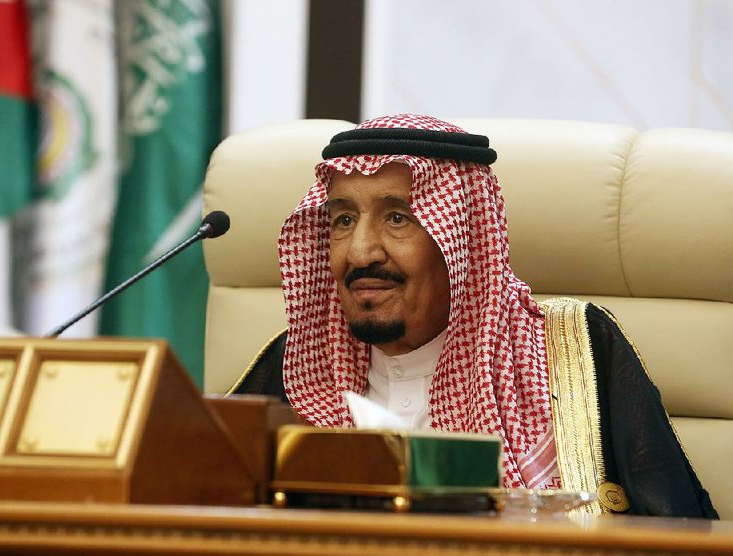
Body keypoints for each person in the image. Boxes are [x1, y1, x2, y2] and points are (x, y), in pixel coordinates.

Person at [231, 114, 717, 518]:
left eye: (397, 217)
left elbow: (680, 535)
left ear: (462, 239)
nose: (359, 253)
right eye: (342, 220)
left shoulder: (575, 350)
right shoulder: (294, 369)